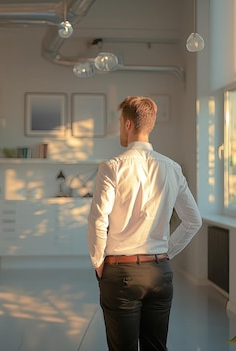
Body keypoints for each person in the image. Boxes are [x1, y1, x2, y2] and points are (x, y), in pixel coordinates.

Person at [87, 96, 203, 351]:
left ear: (128, 124)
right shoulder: (172, 168)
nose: (120, 128)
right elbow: (193, 220)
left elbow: (98, 219)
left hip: (121, 273)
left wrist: (98, 262)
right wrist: (163, 254)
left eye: (120, 122)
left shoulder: (112, 166)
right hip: (160, 273)